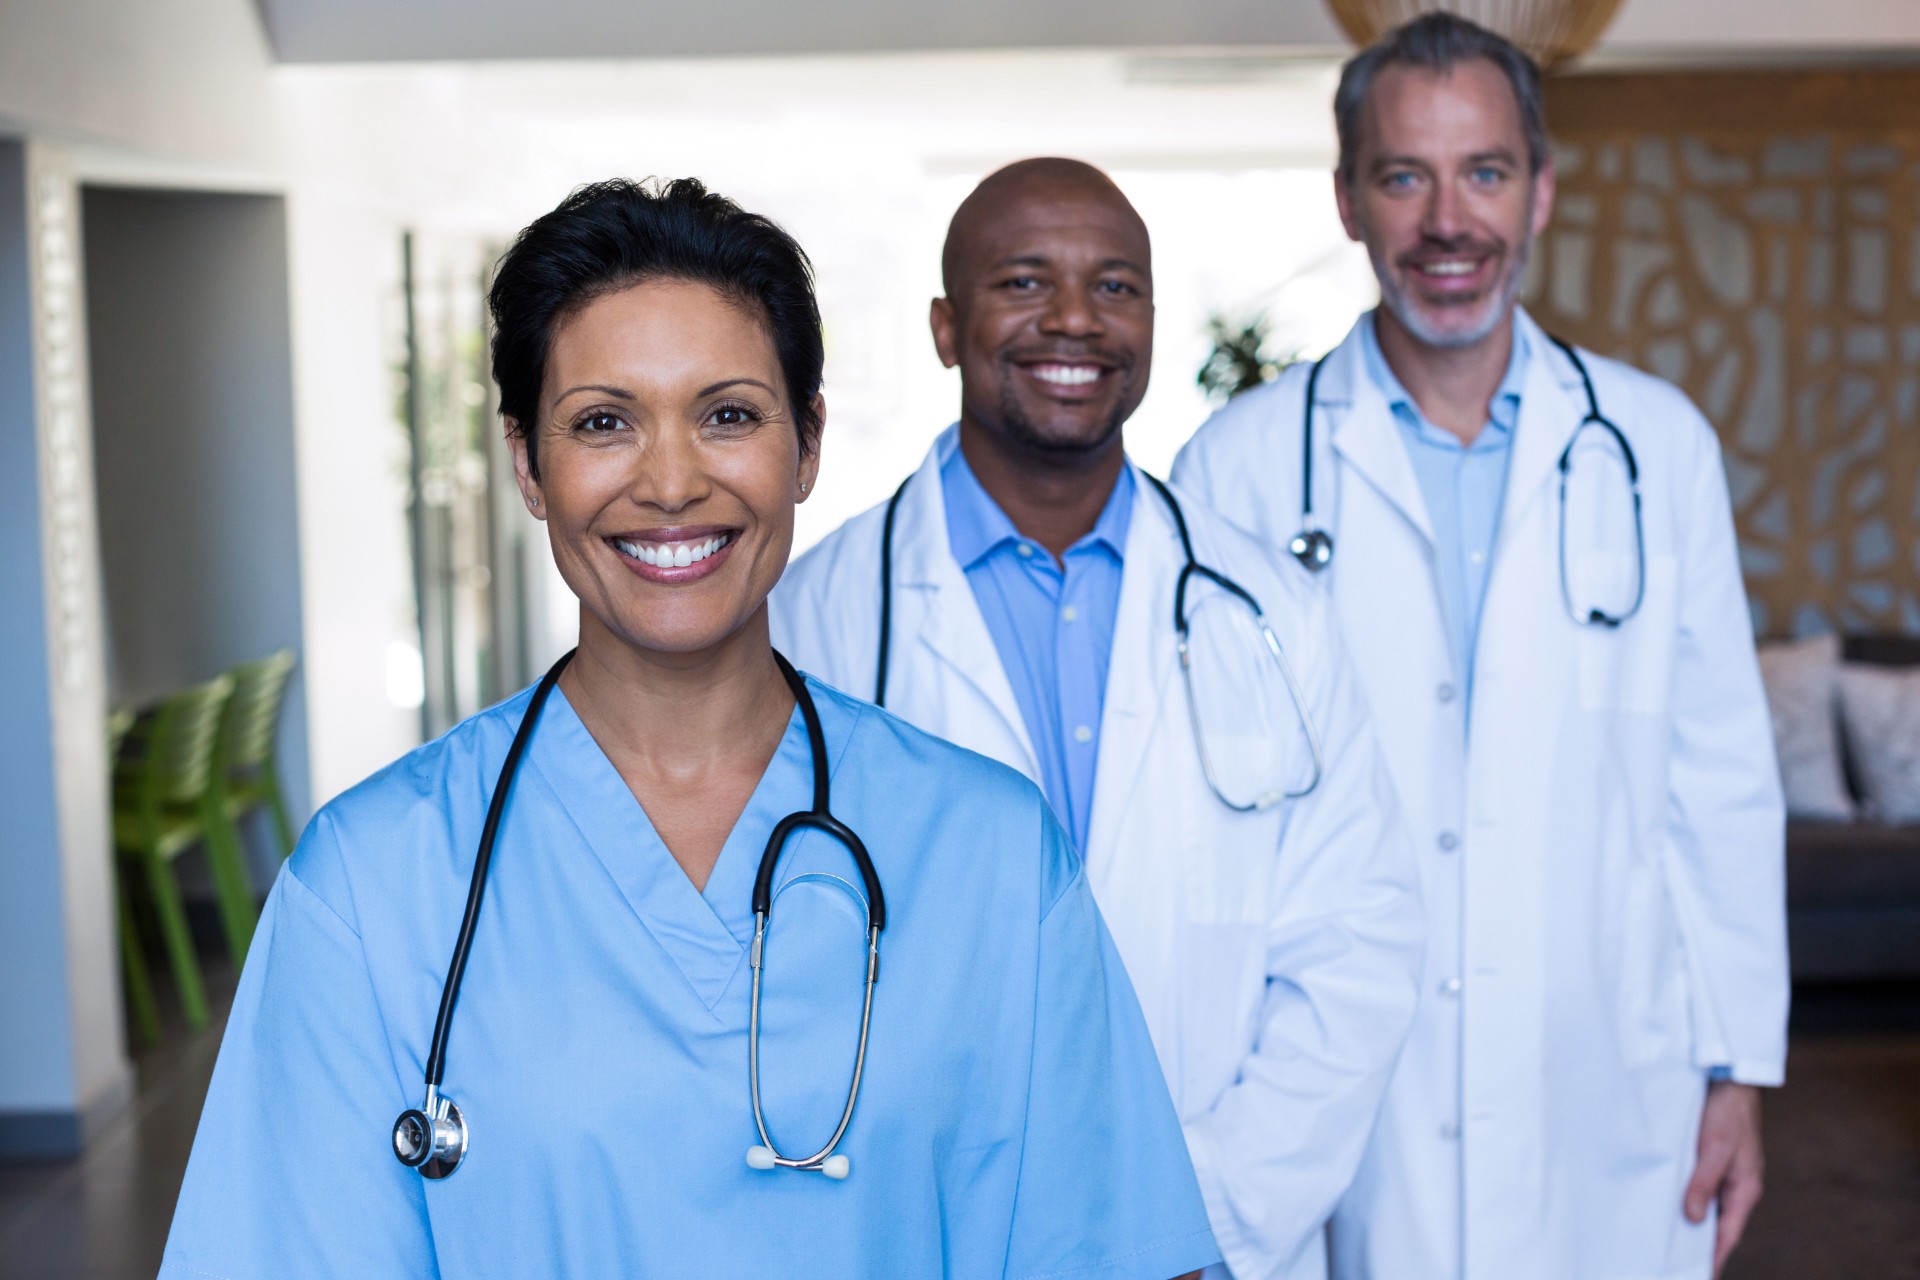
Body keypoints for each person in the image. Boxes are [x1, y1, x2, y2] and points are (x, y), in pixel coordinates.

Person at [160, 178, 1221, 1280]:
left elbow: (1126, 1251)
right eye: (603, 422)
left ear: (807, 444)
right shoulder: (373, 880)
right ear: (527, 464)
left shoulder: (990, 850)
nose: (670, 483)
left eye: (728, 415)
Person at [1172, 16, 1788, 1280]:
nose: (1449, 221)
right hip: (1340, 1077)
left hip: (1609, 1068)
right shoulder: (1237, 467)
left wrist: (1739, 1071)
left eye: (1486, 172)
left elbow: (1718, 775)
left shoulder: (1655, 445)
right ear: (1348, 201)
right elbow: (1211, 822)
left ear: (1540, 191)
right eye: (1405, 175)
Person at [772, 158, 1426, 1280]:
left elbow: (1356, 944)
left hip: (1218, 1245)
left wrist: (1189, 1220)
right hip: (933, 1238)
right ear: (945, 327)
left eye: (1116, 286)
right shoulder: (815, 619)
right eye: (1024, 281)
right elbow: (787, 976)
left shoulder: (1272, 607)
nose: (1075, 317)